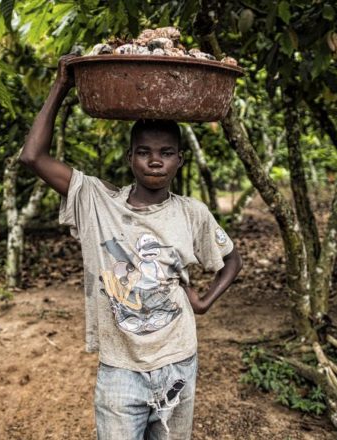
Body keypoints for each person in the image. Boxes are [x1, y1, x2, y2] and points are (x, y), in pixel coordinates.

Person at [20, 55, 243, 440]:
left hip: (177, 361)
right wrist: (61, 86)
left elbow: (232, 261)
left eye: (166, 153)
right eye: (144, 152)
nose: (155, 161)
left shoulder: (193, 213)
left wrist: (204, 301)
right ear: (130, 157)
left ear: (179, 160)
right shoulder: (97, 202)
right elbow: (32, 157)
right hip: (120, 368)